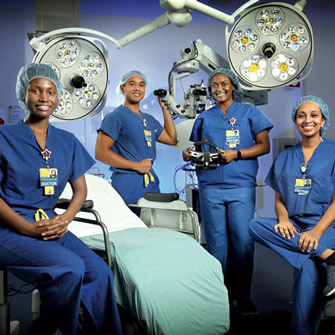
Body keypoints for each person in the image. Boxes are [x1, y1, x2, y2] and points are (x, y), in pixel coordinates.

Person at [0, 63, 123, 335]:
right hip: (10, 229)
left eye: (51, 91)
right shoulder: (3, 137)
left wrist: (65, 219)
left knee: (99, 273)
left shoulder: (67, 141)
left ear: (59, 97)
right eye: (36, 90)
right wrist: (25, 227)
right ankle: (46, 330)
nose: (44, 98)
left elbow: (80, 190)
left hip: (50, 225)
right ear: (24, 94)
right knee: (69, 268)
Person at [182, 68, 273, 315]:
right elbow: (197, 146)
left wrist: (237, 154)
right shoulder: (204, 117)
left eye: (223, 83)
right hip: (210, 187)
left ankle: (243, 296)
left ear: (233, 86)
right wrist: (188, 153)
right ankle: (218, 295)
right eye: (213, 85)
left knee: (243, 242)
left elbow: (264, 145)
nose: (218, 88)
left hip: (240, 186)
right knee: (216, 244)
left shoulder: (250, 112)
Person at [249, 95, 335, 335]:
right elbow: (279, 199)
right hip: (295, 227)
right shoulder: (286, 157)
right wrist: (284, 219)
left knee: (308, 267)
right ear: (295, 121)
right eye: (301, 115)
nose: (307, 120)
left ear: (323, 120)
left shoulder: (333, 152)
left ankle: (302, 331)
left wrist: (317, 232)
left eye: (314, 115)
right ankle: (330, 258)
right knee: (256, 225)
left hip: (327, 227)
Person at [95, 70, 177, 207]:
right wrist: (136, 166)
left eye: (141, 84)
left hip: (150, 184)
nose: (137, 88)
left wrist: (165, 110)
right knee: (130, 224)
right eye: (132, 84)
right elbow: (100, 153)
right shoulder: (115, 117)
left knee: (153, 224)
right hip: (127, 184)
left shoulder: (149, 120)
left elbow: (172, 139)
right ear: (123, 88)